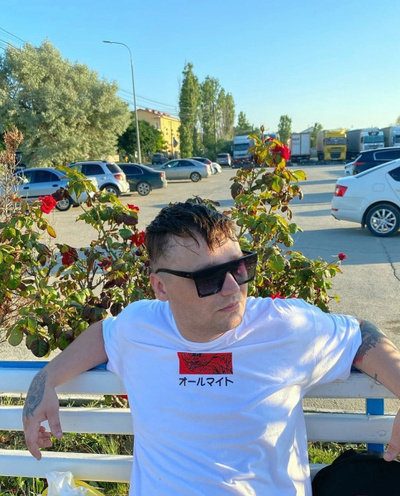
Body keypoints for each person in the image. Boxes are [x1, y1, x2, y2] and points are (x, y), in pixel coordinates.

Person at [23, 202, 400, 496]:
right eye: (208, 278)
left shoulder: (285, 327)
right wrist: (46, 379)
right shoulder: (140, 327)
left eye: (239, 268)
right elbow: (104, 335)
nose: (233, 288)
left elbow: (360, 335)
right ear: (161, 287)